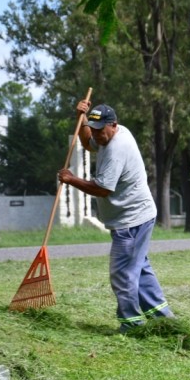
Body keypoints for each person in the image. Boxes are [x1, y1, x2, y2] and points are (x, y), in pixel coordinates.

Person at [58, 101, 175, 332]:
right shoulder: (108, 136)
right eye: (94, 129)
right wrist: (81, 118)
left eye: (100, 130)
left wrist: (71, 179)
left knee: (122, 274)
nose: (97, 135)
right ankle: (163, 318)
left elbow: (103, 189)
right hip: (134, 216)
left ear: (113, 125)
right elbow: (87, 142)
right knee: (139, 269)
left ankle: (131, 325)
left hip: (132, 220)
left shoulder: (116, 148)